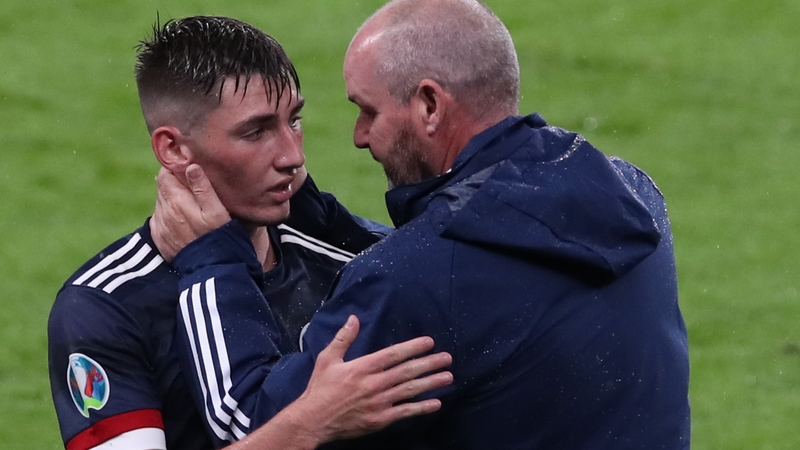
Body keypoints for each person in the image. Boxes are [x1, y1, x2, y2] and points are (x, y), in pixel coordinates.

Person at [162, 0, 691, 448]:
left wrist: (212, 254)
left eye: (367, 110)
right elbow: (473, 252)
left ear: (430, 105)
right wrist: (311, 209)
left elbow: (250, 418)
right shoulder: (634, 193)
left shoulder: (416, 281)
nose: (359, 136)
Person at [47, 16, 452, 450]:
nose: (293, 156)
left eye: (294, 120)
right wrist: (311, 422)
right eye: (256, 131)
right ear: (174, 149)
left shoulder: (343, 253)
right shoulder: (105, 307)